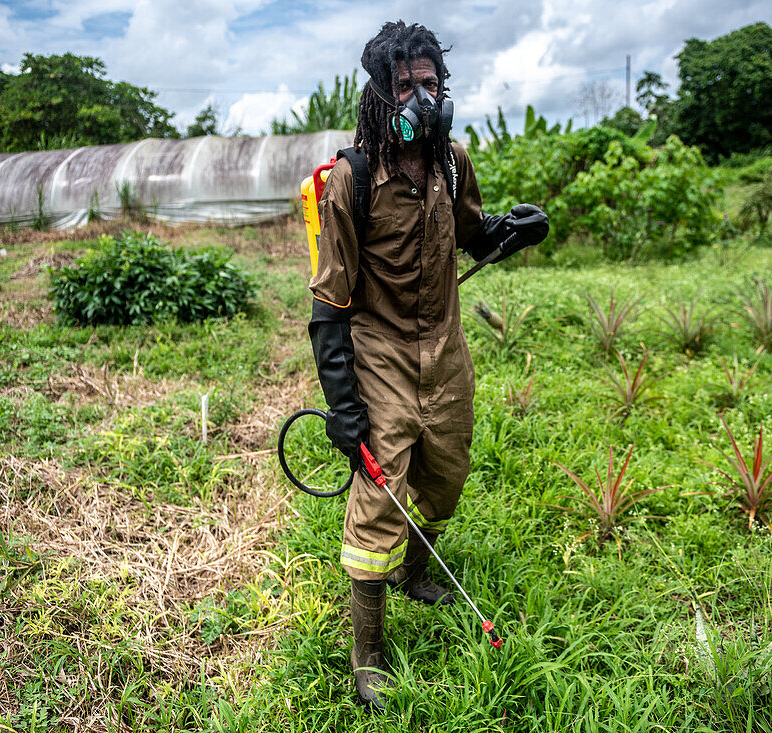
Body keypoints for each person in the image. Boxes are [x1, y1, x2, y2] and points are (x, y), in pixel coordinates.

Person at [308, 20, 548, 710]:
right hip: (380, 355)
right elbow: (328, 306)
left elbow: (472, 233)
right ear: (382, 93)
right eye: (407, 85)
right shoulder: (352, 180)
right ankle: (369, 651)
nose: (423, 97)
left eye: (432, 84)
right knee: (380, 498)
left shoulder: (452, 162)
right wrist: (343, 405)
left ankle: (418, 574)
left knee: (446, 473)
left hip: (446, 354)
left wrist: (511, 229)